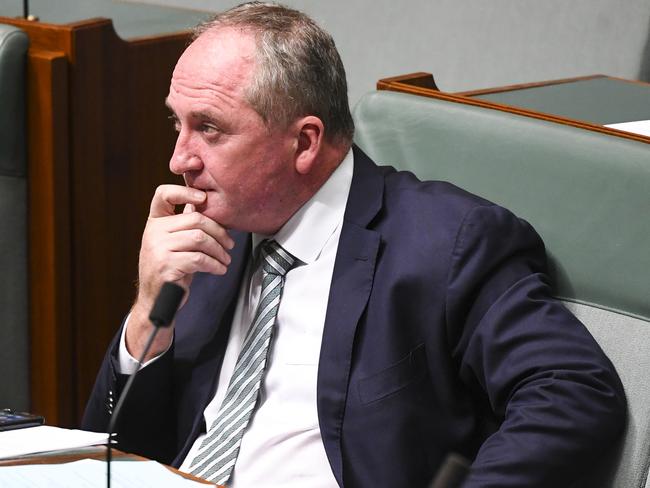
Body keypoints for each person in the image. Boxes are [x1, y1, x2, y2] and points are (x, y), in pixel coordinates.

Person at [82, 2, 626, 487]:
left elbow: (571, 391)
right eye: (176, 124)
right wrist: (147, 320)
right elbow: (108, 453)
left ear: (305, 142)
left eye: (210, 129)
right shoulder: (205, 242)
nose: (180, 160)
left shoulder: (447, 242)